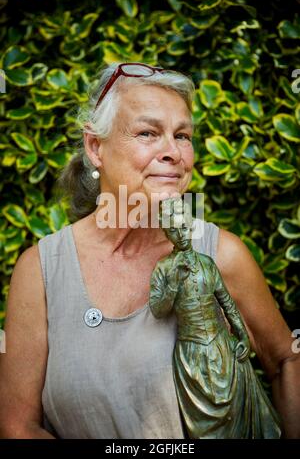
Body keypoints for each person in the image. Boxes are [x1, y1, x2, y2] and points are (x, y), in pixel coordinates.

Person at [0, 62, 299, 439]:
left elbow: (287, 357)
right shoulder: (41, 270)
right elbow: (16, 424)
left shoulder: (220, 254)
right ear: (95, 147)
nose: (173, 152)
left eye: (183, 136)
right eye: (148, 133)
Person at [149, 198, 281, 438]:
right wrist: (174, 284)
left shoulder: (208, 264)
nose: (180, 234)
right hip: (191, 357)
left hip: (223, 350)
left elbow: (226, 302)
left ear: (189, 225)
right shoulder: (164, 269)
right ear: (166, 233)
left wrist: (241, 334)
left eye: (183, 227)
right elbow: (158, 310)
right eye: (173, 230)